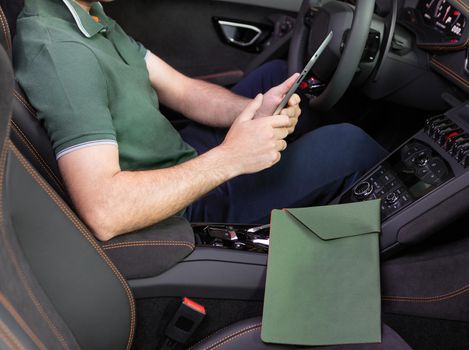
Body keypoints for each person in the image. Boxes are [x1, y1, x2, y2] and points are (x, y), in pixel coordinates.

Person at [14, 0, 386, 241]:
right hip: (180, 210)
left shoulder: (88, 13)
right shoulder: (61, 53)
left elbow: (181, 90)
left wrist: (254, 111)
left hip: (183, 154)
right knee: (348, 146)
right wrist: (232, 157)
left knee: (273, 77)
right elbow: (105, 209)